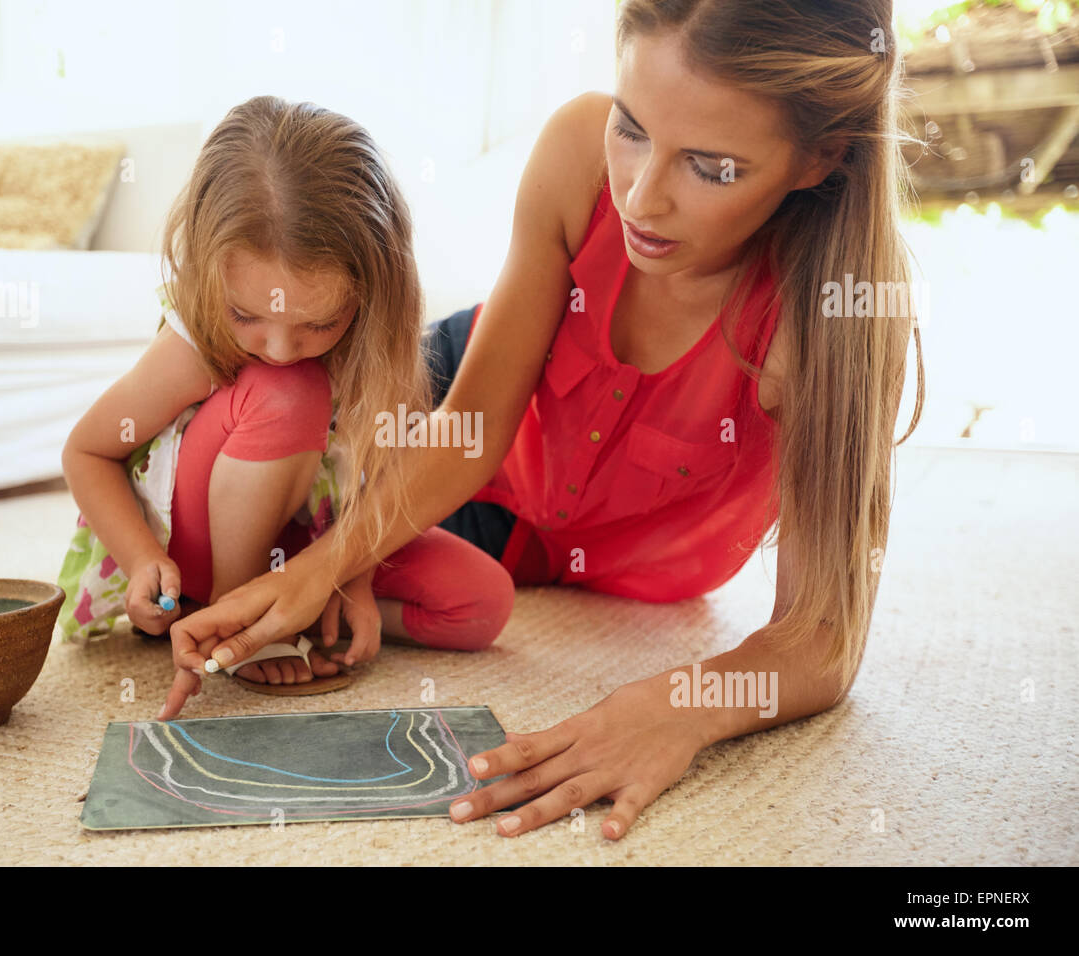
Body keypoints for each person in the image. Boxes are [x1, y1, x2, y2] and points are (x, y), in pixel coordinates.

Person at [163, 0, 925, 839]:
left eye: (711, 168)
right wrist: (322, 570)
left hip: (566, 546)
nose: (639, 196)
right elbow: (472, 432)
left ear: (822, 157)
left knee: (382, 571)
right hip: (461, 411)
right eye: (631, 127)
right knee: (284, 461)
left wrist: (679, 704)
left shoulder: (838, 320)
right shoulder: (575, 151)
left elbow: (822, 639)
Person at [57, 95, 514, 703]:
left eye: (317, 325)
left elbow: (387, 480)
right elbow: (87, 453)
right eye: (247, 315)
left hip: (306, 539)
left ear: (371, 294)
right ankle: (232, 609)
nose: (277, 347)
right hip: (202, 540)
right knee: (289, 392)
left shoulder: (380, 346)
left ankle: (297, 609)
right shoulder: (196, 341)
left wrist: (349, 575)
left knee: (483, 601)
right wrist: (142, 559)